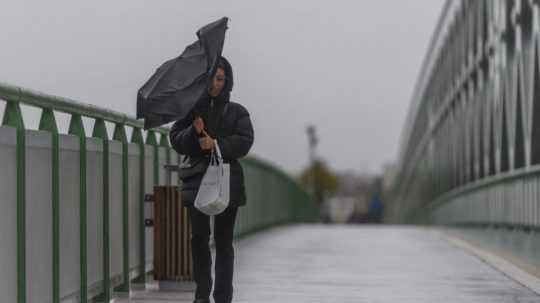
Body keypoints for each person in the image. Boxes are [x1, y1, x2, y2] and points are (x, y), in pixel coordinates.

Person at [169, 56, 254, 303]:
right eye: (212, 78)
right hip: (197, 180)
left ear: (226, 80)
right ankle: (202, 295)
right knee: (198, 238)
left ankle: (223, 297)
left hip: (228, 181)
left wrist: (216, 144)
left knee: (224, 241)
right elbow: (175, 138)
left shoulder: (237, 111)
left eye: (220, 79)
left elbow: (245, 141)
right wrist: (194, 133)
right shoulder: (192, 109)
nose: (216, 84)